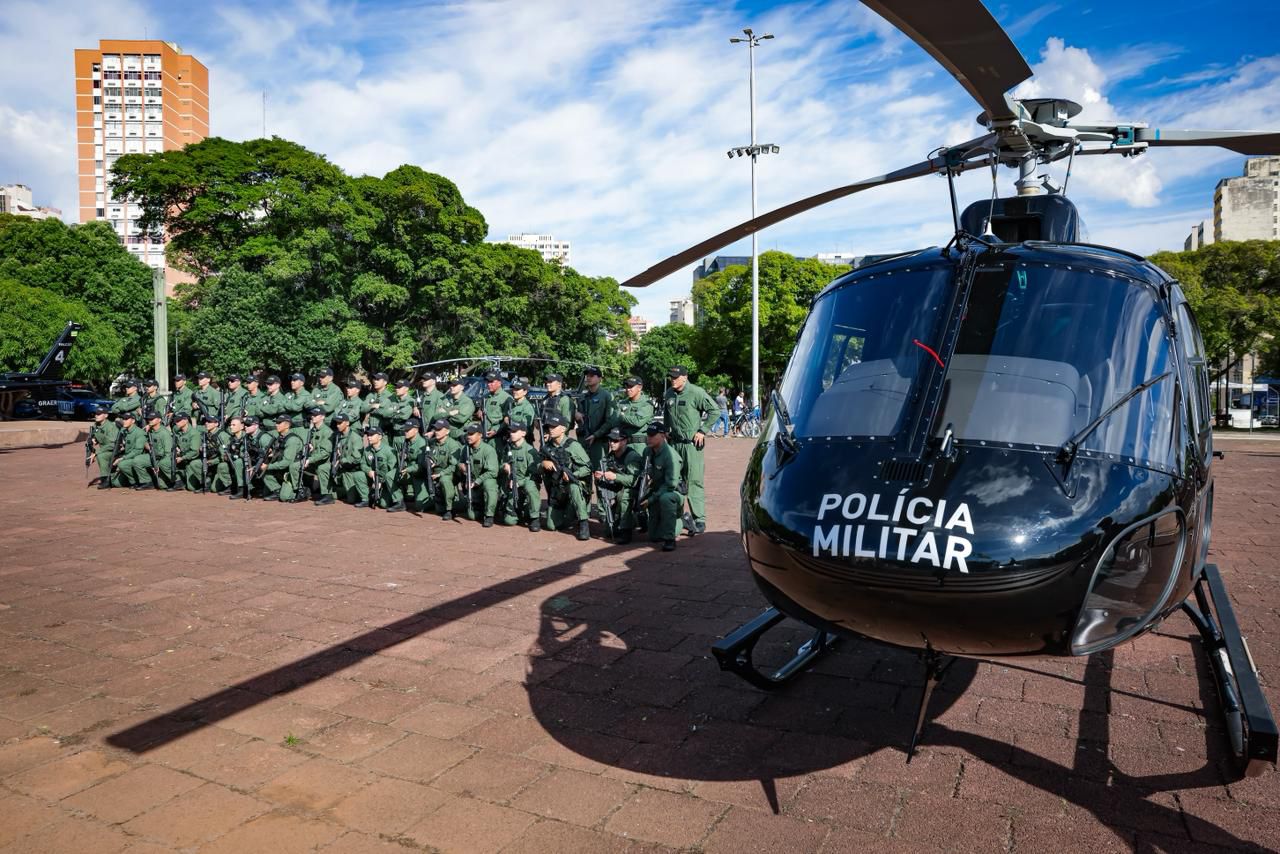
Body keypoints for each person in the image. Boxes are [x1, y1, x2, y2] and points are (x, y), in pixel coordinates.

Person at [663, 365, 716, 536]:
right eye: (671, 377)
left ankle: (699, 519)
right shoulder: (669, 394)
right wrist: (665, 430)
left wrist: (703, 430)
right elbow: (666, 414)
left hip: (691, 445)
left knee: (693, 481)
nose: (673, 380)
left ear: (684, 377)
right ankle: (677, 516)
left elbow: (714, 410)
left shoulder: (696, 392)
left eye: (676, 377)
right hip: (674, 445)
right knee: (675, 480)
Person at [539, 413, 591, 540]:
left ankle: (583, 522)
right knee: (552, 526)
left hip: (575, 486)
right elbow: (536, 466)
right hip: (559, 489)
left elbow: (588, 468)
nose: (551, 429)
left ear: (563, 429)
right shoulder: (547, 447)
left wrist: (573, 474)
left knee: (574, 487)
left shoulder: (573, 446)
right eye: (549, 427)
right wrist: (543, 463)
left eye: (554, 427)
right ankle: (570, 512)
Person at [639, 422, 683, 551]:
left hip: (673, 493)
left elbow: (670, 485)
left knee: (666, 498)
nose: (649, 438)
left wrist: (651, 499)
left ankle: (675, 533)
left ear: (663, 436)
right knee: (653, 537)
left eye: (653, 435)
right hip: (656, 491)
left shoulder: (671, 456)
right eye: (648, 435)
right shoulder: (647, 451)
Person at [594, 427, 642, 543]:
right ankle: (626, 521)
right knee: (609, 532)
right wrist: (600, 475)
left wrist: (615, 477)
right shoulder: (609, 457)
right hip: (616, 490)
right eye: (610, 440)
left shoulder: (632, 456)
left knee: (624, 495)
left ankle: (627, 531)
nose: (611, 443)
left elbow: (634, 480)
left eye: (615, 441)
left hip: (633, 491)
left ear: (624, 441)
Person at [577, 366, 613, 514]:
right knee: (583, 476)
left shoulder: (606, 396)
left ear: (599, 378)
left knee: (600, 476)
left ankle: (603, 512)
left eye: (592, 375)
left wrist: (597, 434)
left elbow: (610, 420)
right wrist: (576, 415)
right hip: (584, 441)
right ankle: (583, 511)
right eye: (587, 375)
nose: (588, 378)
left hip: (598, 442)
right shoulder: (582, 397)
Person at [499, 421, 542, 530]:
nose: (511, 434)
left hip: (526, 485)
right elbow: (501, 464)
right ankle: (518, 511)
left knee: (530, 486)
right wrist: (504, 466)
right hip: (512, 486)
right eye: (510, 431)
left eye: (514, 431)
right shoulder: (508, 448)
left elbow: (535, 475)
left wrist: (519, 483)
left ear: (523, 433)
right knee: (509, 521)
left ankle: (534, 518)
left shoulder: (530, 451)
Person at [456, 422, 499, 525]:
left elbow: (493, 472)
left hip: (482, 482)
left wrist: (477, 482)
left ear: (480, 435)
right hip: (472, 485)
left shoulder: (488, 450)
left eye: (472, 434)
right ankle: (481, 505)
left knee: (490, 484)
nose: (468, 436)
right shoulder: (465, 449)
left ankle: (489, 515)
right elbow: (461, 463)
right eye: (467, 434)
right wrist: (461, 467)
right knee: (471, 516)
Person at [293, 407, 334, 503]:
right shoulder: (312, 430)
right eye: (312, 415)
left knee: (321, 468)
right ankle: (300, 490)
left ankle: (327, 495)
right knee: (295, 466)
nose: (313, 417)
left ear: (322, 417)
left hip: (325, 462)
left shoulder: (327, 432)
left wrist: (309, 460)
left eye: (315, 415)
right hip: (313, 460)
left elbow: (325, 453)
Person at [259, 415, 304, 501]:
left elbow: (287, 462)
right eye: (276, 423)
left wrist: (268, 466)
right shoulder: (280, 437)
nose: (276, 425)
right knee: (262, 471)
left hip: (290, 470)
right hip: (282, 468)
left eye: (279, 423)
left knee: (284, 498)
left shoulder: (292, 440)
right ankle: (277, 490)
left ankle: (304, 491)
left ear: (287, 425)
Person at [425, 417, 462, 519]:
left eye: (439, 430)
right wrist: (430, 461)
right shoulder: (432, 442)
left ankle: (450, 509)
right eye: (436, 429)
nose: (437, 432)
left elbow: (453, 466)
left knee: (444, 480)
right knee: (437, 510)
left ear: (447, 432)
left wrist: (440, 474)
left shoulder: (453, 445)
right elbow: (431, 456)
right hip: (435, 473)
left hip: (449, 473)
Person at [391, 418, 429, 512]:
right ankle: (399, 502)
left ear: (416, 430)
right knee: (390, 476)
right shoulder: (406, 441)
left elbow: (420, 466)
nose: (405, 432)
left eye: (408, 430)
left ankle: (433, 500)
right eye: (405, 430)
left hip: (419, 476)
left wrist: (408, 469)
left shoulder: (422, 443)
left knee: (420, 507)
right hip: (407, 472)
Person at [612, 376, 654, 457]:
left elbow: (638, 422)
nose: (628, 389)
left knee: (636, 467)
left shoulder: (646, 404)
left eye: (631, 387)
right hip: (622, 444)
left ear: (639, 387)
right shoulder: (623, 403)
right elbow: (614, 422)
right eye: (627, 386)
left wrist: (622, 417)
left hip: (638, 445)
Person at [359, 425, 398, 509]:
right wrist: (369, 471)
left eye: (372, 435)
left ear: (380, 436)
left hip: (386, 482)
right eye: (368, 435)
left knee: (383, 505)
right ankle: (366, 499)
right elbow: (362, 464)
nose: (369, 437)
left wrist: (380, 481)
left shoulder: (389, 451)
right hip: (373, 478)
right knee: (358, 475)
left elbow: (391, 471)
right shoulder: (367, 450)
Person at [332, 413, 367, 505]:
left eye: (340, 423)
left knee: (351, 500)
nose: (337, 425)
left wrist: (341, 461)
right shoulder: (338, 436)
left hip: (351, 471)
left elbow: (356, 458)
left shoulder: (355, 438)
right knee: (331, 495)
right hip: (341, 470)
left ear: (347, 423)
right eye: (337, 423)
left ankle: (358, 491)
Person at [108, 411, 147, 488]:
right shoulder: (124, 431)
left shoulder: (139, 433)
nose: (124, 421)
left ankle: (136, 481)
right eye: (123, 419)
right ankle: (131, 479)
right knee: (116, 483)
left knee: (122, 464)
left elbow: (138, 451)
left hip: (137, 458)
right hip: (128, 457)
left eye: (126, 419)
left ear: (133, 421)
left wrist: (122, 458)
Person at [142, 410, 175, 490]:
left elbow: (168, 453)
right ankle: (147, 482)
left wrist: (157, 465)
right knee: (138, 461)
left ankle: (177, 480)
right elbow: (145, 443)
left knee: (162, 486)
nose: (150, 420)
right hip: (154, 456)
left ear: (159, 420)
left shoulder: (164, 433)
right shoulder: (150, 431)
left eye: (152, 419)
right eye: (149, 419)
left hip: (164, 459)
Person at [87, 405, 119, 487]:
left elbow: (112, 444)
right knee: (100, 454)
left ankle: (105, 480)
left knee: (101, 456)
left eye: (99, 414)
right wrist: (94, 441)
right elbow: (99, 437)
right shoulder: (96, 425)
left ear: (106, 415)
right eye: (96, 414)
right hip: (105, 449)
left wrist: (96, 452)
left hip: (115, 450)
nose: (96, 416)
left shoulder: (111, 427)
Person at [539, 372, 574, 444]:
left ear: (559, 384)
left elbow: (567, 423)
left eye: (551, 382)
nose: (548, 384)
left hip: (558, 441)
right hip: (544, 438)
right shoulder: (545, 399)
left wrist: (552, 434)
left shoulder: (564, 400)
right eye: (547, 382)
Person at [480, 370, 512, 450]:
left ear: (499, 382)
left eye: (491, 382)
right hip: (485, 435)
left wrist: (495, 430)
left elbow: (508, 420)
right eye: (488, 382)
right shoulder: (485, 397)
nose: (488, 384)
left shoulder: (506, 398)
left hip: (498, 437)